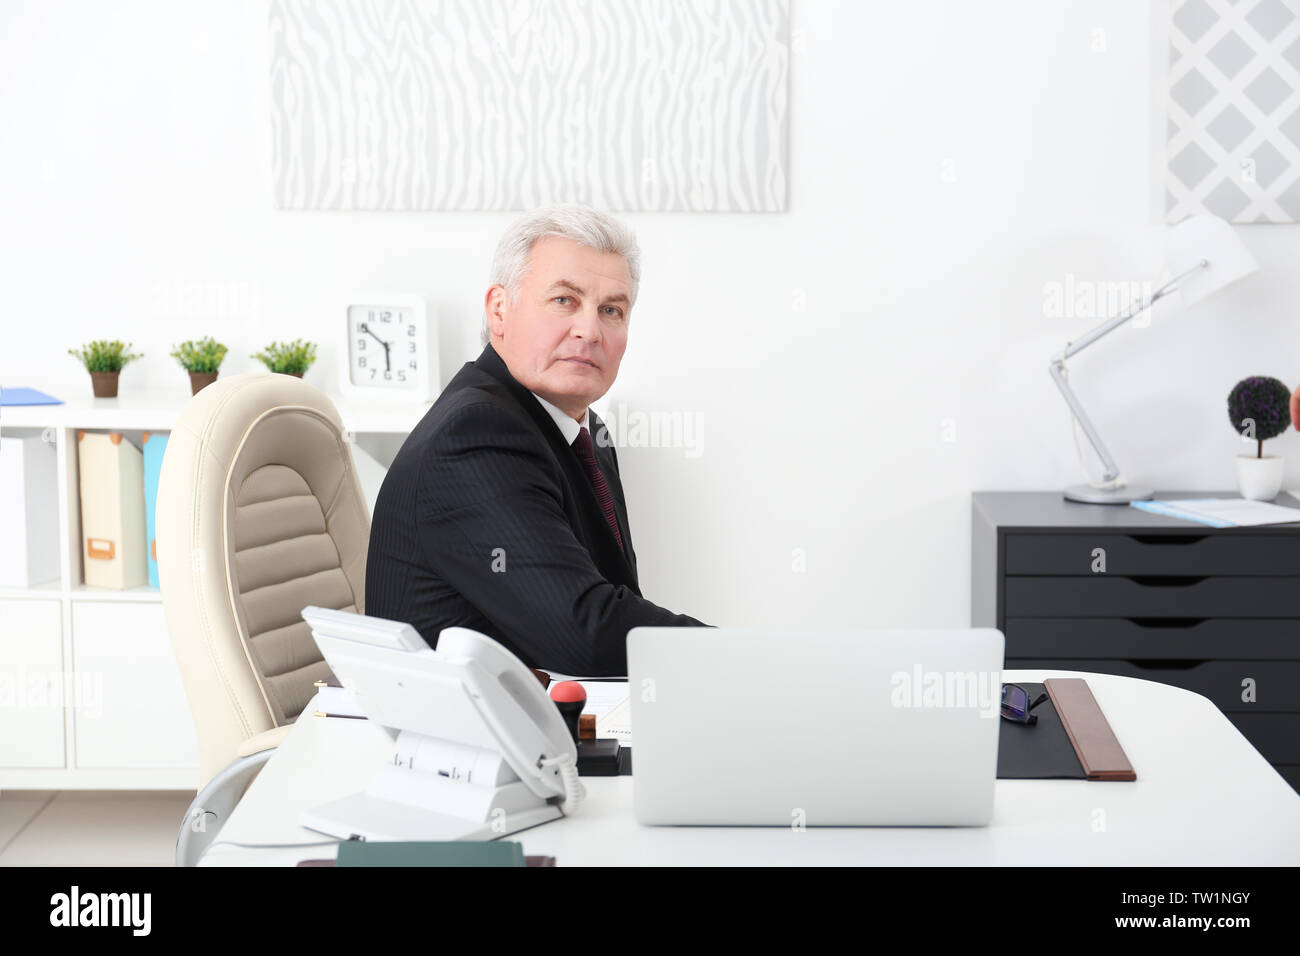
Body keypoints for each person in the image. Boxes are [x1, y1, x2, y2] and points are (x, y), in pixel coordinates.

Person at [365, 204, 707, 676]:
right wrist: (732, 657)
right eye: (564, 300)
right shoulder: (476, 434)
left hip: (549, 718)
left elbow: (614, 602)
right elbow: (585, 632)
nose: (589, 330)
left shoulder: (586, 432)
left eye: (612, 310)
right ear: (499, 311)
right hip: (468, 741)